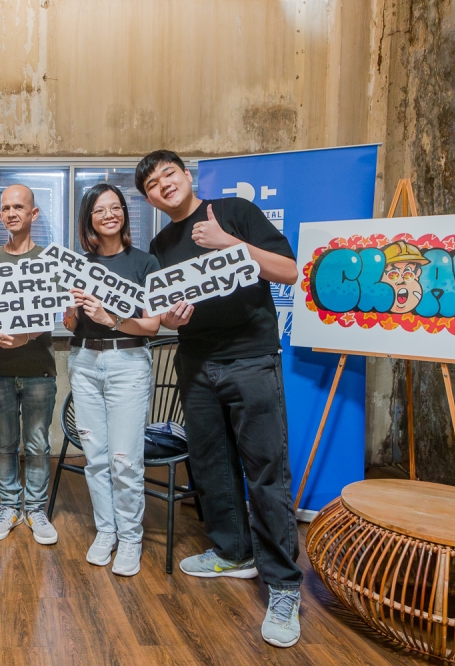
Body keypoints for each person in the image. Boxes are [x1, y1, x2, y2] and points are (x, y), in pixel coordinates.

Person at [137, 150, 303, 648]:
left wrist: (230, 245)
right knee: (210, 463)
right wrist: (170, 319)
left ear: (187, 176)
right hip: (196, 360)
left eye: (169, 174)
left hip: (250, 357)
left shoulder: (232, 213)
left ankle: (283, 585)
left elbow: (288, 270)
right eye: (151, 184)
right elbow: (160, 309)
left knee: (265, 470)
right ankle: (234, 552)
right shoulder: (160, 242)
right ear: (148, 198)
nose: (162, 185)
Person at [64, 183, 161, 577]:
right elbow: (71, 324)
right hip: (84, 361)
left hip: (129, 362)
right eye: (100, 210)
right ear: (89, 218)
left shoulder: (145, 263)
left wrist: (112, 319)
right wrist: (69, 309)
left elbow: (152, 326)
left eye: (115, 207)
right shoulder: (79, 264)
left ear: (124, 213)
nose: (109, 214)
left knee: (124, 460)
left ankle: (131, 536)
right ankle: (106, 532)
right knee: (96, 458)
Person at [0, 185, 58, 545]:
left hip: (39, 368)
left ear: (33, 214)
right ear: (0, 216)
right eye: (6, 208)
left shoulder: (49, 261)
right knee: (5, 443)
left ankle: (35, 509)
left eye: (19, 207)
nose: (12, 213)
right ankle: (9, 507)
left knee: (38, 445)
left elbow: (53, 314)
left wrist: (25, 337)